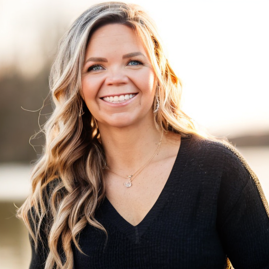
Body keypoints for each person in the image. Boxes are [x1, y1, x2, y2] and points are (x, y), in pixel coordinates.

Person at [18, 2, 269, 269]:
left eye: (134, 62)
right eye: (95, 67)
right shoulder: (57, 193)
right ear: (76, 84)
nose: (115, 78)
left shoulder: (219, 171)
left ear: (158, 73)